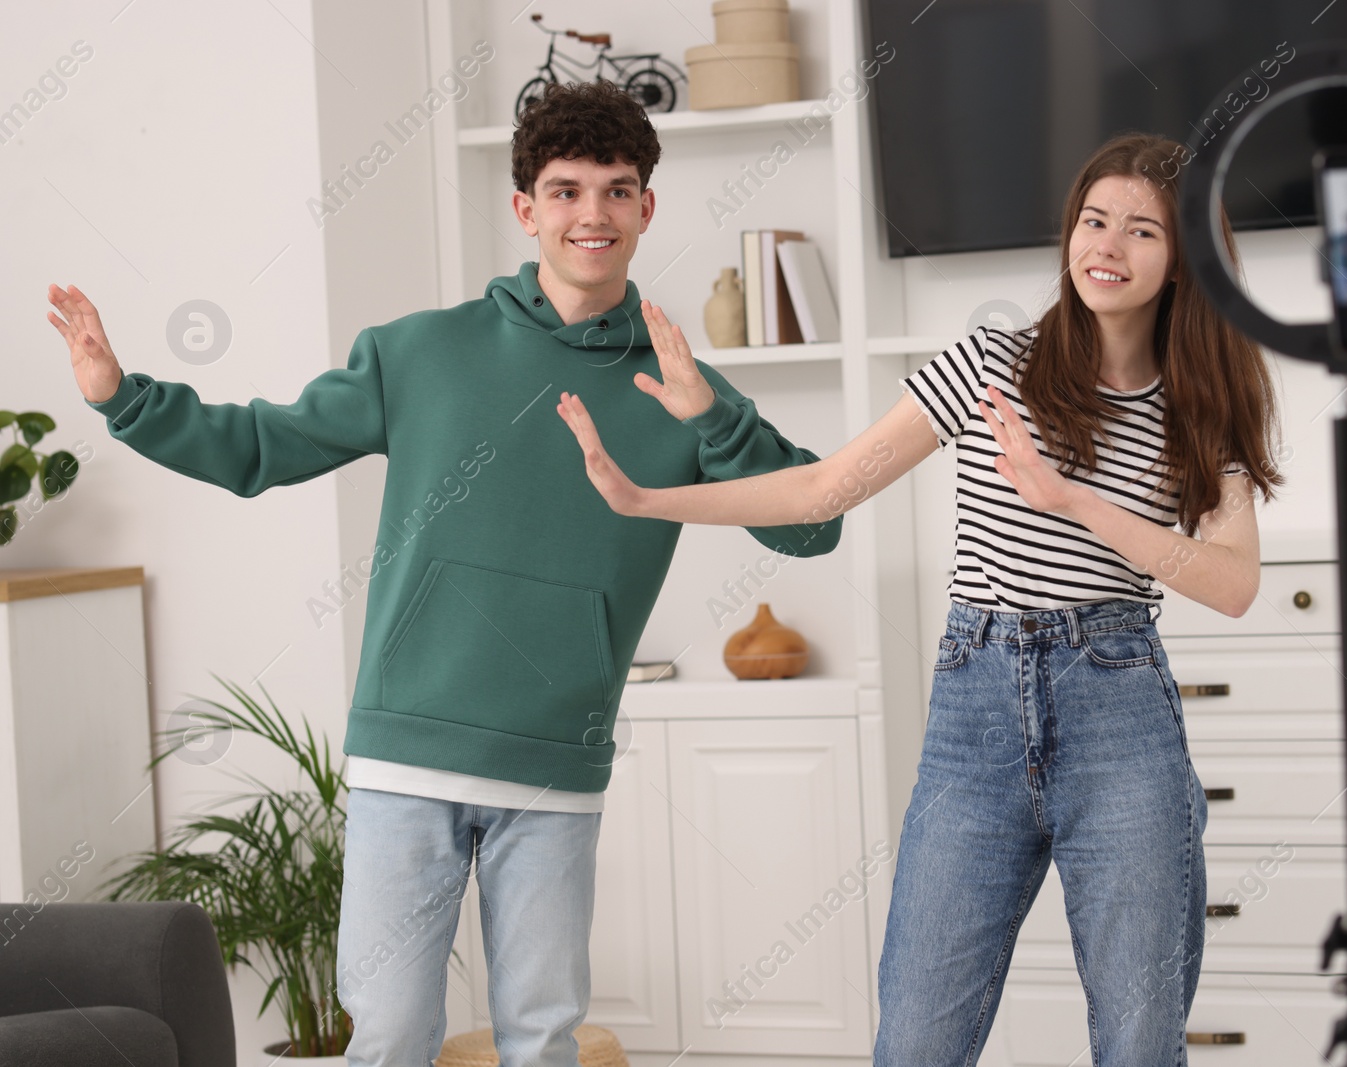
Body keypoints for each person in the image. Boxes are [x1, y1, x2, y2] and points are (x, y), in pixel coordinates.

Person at [46, 80, 841, 1066]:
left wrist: (712, 419)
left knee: (543, 1039)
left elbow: (812, 528)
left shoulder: (680, 382)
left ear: (645, 208)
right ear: (524, 209)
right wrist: (125, 397)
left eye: (615, 189)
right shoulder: (420, 351)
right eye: (564, 190)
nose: (590, 213)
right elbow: (261, 447)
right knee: (388, 1037)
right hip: (404, 755)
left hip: (554, 763)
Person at [556, 131, 1285, 1065]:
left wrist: (1072, 500)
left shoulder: (1205, 400)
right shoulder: (991, 362)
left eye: (1142, 231)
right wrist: (651, 498)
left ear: (1186, 258)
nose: (1107, 245)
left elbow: (1231, 584)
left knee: (1141, 1043)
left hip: (1122, 716)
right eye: (1094, 221)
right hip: (974, 713)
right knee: (917, 1039)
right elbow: (824, 488)